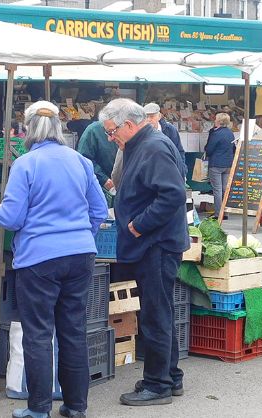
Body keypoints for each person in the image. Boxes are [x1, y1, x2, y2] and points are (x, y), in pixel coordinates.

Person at [0, 101, 108, 418]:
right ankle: (76, 407)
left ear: (29, 128)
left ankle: (39, 409)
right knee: (73, 332)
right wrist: (80, 235)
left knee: (38, 334)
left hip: (39, 259)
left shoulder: (26, 164)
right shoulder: (80, 162)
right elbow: (99, 210)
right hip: (80, 255)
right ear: (59, 127)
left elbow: (11, 218)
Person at [99, 98, 189, 407]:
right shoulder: (143, 144)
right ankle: (169, 376)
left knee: (155, 314)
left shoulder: (152, 146)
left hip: (156, 244)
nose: (111, 138)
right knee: (158, 311)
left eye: (112, 132)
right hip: (153, 244)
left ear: (128, 124)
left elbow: (174, 194)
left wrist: (139, 224)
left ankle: (158, 384)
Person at [204, 112, 236, 218]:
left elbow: (209, 149)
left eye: (216, 119)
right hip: (228, 164)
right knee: (224, 189)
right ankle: (225, 212)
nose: (214, 120)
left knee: (217, 190)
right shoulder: (230, 133)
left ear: (219, 121)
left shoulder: (216, 134)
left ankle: (218, 214)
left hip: (216, 164)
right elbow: (233, 148)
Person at [144, 102, 186, 177]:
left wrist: (182, 172)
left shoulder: (170, 130)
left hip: (170, 172)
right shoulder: (141, 132)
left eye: (152, 116)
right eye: (146, 117)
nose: (149, 119)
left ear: (159, 116)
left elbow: (179, 151)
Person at [77, 119, 118, 191]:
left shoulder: (128, 127)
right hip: (100, 186)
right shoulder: (94, 130)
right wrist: (104, 180)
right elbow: (84, 159)